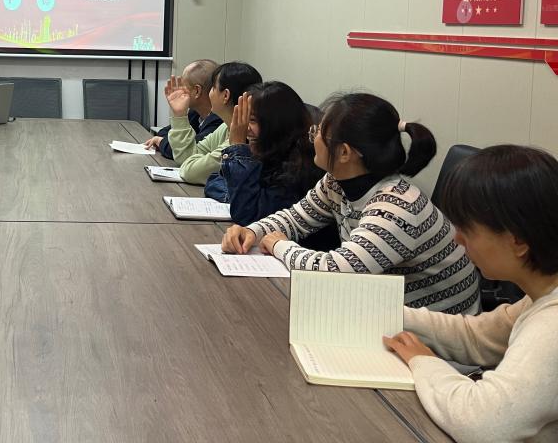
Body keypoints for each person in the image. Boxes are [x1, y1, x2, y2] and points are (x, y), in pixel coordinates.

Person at [222, 92, 480, 315]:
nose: (313, 139)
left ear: (344, 152)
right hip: (385, 315)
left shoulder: (396, 208)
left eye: (318, 133)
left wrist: (279, 245)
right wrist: (252, 232)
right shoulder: (336, 181)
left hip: (435, 338)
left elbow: (336, 272)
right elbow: (295, 218)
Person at [383, 146, 558, 443]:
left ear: (517, 241)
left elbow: (483, 423)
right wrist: (380, 313)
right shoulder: (541, 295)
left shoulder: (551, 326)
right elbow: (477, 336)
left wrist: (424, 361)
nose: (458, 238)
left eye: (467, 229)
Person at [218, 82, 337, 250]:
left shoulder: (300, 167)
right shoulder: (269, 151)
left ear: (276, 124)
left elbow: (248, 214)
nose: (243, 128)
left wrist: (238, 146)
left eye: (251, 120)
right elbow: (215, 181)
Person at [166, 61, 262, 190]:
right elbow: (187, 157)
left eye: (212, 88)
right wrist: (180, 114)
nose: (209, 94)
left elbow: (191, 172)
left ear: (225, 95)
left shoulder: (248, 135)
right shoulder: (225, 127)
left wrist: (195, 163)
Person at [143, 60, 222, 159]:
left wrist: (160, 141)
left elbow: (184, 152)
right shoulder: (195, 113)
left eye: (183, 85)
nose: (179, 90)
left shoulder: (218, 121)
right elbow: (164, 132)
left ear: (197, 91)